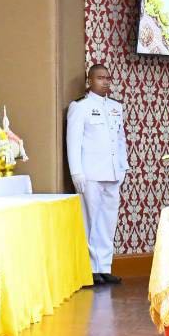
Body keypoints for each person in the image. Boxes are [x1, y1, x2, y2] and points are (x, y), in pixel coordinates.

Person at [67, 63, 128, 286]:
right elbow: (73, 141)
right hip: (90, 173)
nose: (105, 82)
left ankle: (104, 267)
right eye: (100, 78)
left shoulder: (115, 107)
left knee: (107, 222)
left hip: (112, 173)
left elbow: (120, 140)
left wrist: (123, 167)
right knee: (89, 222)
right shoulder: (80, 107)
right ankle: (89, 270)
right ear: (89, 81)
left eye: (107, 78)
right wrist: (76, 172)